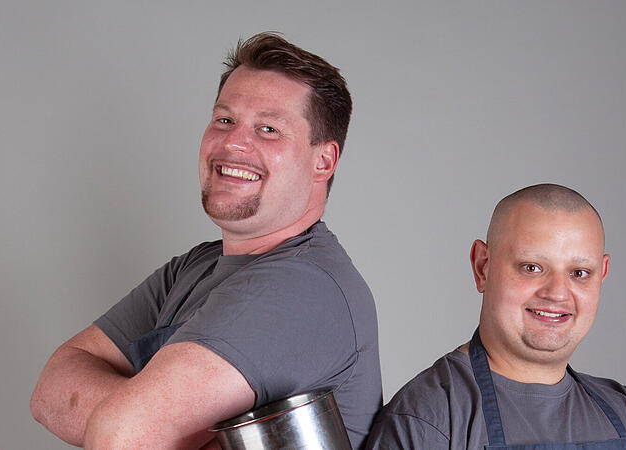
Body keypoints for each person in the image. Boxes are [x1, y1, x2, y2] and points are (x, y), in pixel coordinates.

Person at [30, 32, 381, 449]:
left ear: (323, 161)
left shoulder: (303, 288)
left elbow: (125, 434)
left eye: (268, 129)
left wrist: (140, 419)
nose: (233, 142)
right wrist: (149, 423)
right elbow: (51, 391)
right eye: (225, 120)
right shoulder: (195, 267)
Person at [366, 184, 626, 449]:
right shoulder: (428, 418)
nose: (557, 293)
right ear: (482, 266)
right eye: (532, 267)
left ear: (602, 276)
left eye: (579, 273)